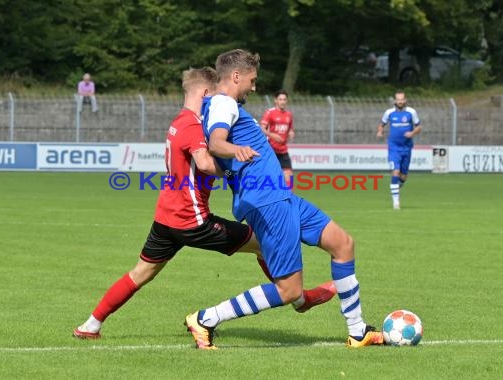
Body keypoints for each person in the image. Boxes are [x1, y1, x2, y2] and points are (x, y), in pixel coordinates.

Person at [73, 67, 335, 339]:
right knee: (263, 243)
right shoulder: (193, 127)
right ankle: (298, 299)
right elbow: (206, 164)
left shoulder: (178, 121)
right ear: (206, 92)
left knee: (140, 273)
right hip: (193, 220)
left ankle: (90, 325)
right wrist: (238, 169)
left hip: (166, 217)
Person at [185, 49, 383, 350]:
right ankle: (206, 318)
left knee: (343, 244)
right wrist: (233, 151)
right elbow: (216, 142)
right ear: (235, 76)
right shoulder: (223, 103)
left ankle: (358, 331)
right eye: (251, 80)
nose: (253, 87)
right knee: (290, 291)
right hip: (267, 201)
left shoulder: (224, 106)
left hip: (281, 197)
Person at [376, 91, 422, 210]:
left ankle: (395, 186)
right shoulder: (389, 113)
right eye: (398, 99)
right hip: (394, 148)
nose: (400, 102)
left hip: (407, 148)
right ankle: (396, 202)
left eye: (402, 99)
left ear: (405, 100)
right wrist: (380, 131)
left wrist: (412, 133)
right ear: (395, 101)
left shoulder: (411, 112)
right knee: (395, 172)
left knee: (403, 177)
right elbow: (382, 124)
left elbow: (419, 127)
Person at [260, 90, 294, 187]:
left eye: (284, 99)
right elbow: (262, 129)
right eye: (280, 99)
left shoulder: (289, 114)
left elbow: (290, 128)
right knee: (270, 178)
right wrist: (272, 135)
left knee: (289, 178)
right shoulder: (270, 113)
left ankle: (288, 200)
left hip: (283, 151)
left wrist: (291, 132)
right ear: (276, 100)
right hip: (271, 150)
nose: (282, 101)